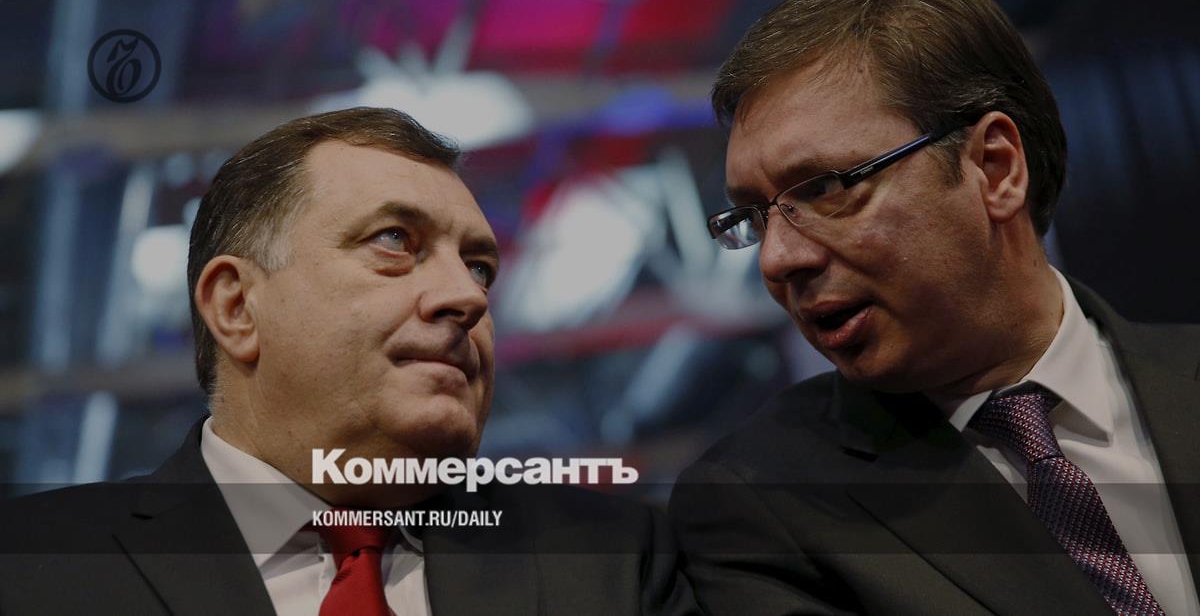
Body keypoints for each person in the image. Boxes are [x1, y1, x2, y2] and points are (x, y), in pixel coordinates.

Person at [0, 107, 698, 616]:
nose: (468, 297)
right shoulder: (31, 568)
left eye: (480, 267)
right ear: (236, 307)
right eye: (395, 240)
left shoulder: (616, 565)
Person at [669, 0, 1199, 616]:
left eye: (825, 188)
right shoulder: (762, 504)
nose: (777, 260)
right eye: (753, 217)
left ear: (995, 168)